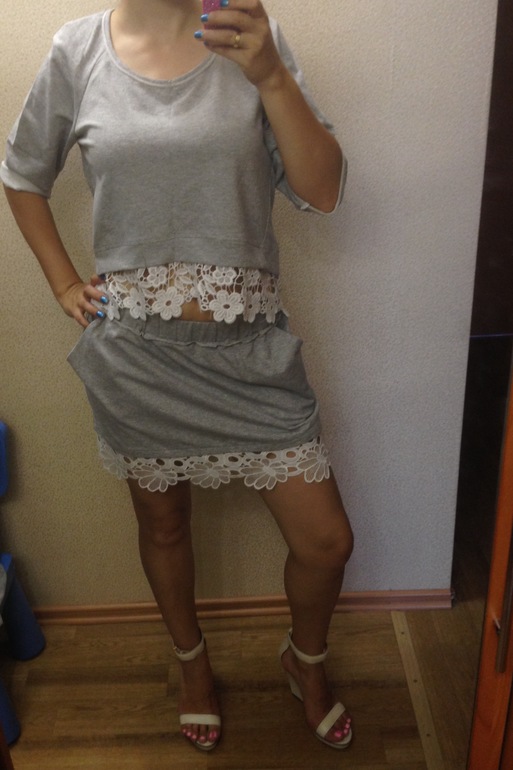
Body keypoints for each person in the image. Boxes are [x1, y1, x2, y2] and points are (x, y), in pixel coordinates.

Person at [2, 0, 354, 753]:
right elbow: (22, 173)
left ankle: (305, 660)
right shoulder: (77, 49)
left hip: (250, 350)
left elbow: (322, 191)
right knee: (162, 524)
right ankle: (192, 665)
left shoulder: (254, 39)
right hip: (137, 357)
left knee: (326, 542)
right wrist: (64, 283)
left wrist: (269, 75)